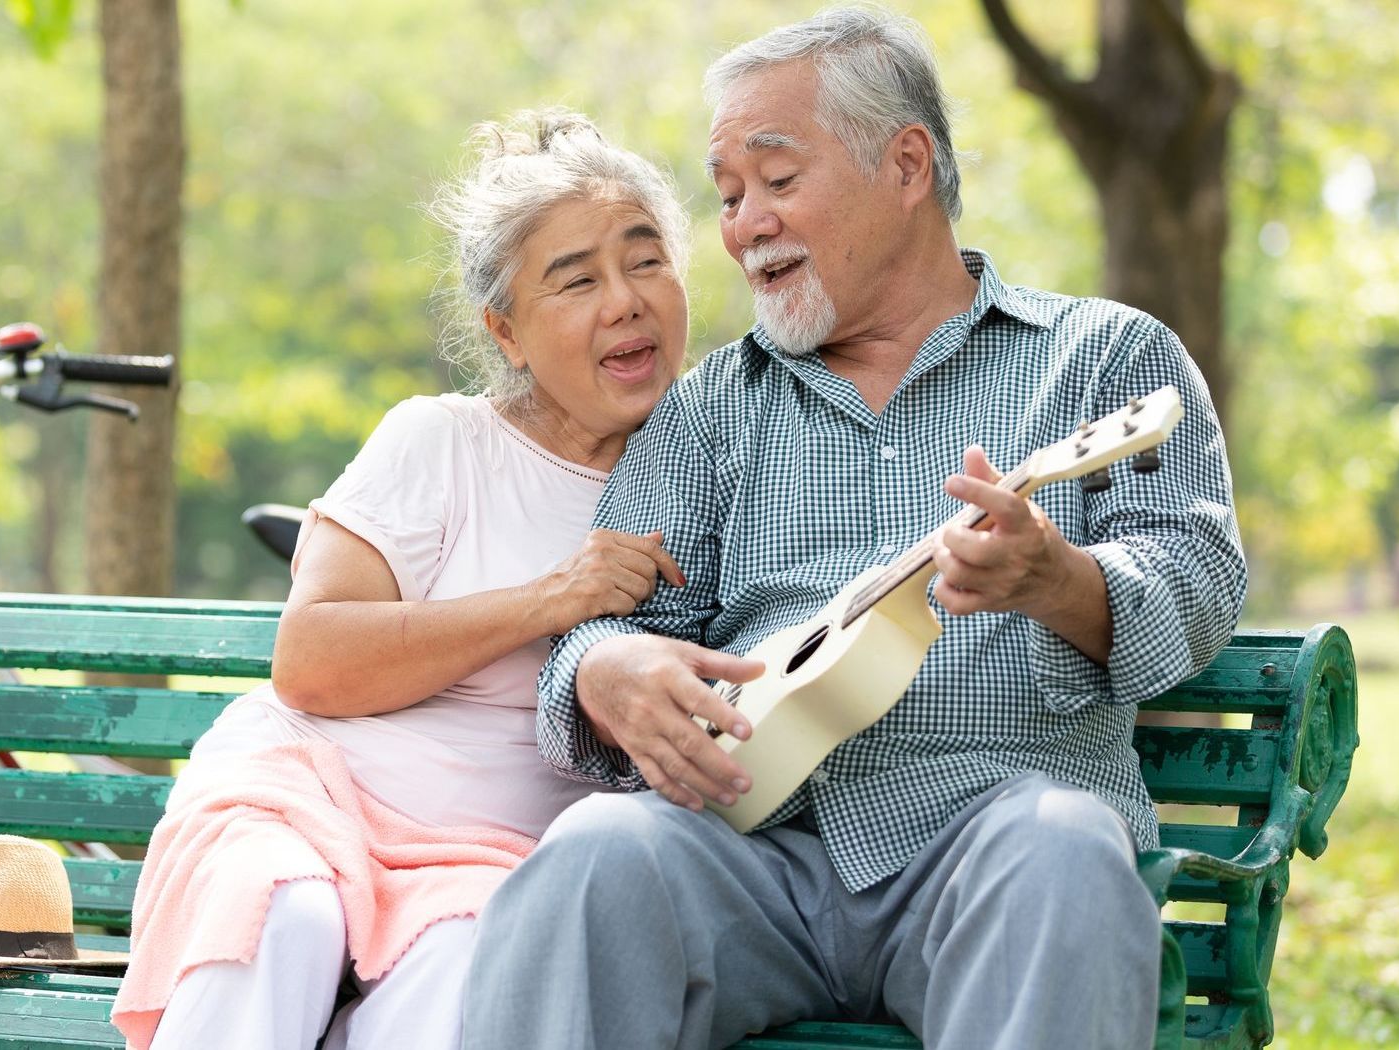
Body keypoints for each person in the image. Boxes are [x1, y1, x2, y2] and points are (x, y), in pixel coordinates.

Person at [461, 8, 1247, 1050]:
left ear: (907, 164)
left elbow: (1194, 576)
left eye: (778, 182)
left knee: (1067, 852)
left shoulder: (1105, 359)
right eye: (730, 195)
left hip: (992, 840)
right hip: (754, 853)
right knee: (596, 857)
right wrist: (605, 673)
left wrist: (1058, 578)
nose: (744, 226)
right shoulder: (710, 409)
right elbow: (598, 627)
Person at [109, 109, 695, 1050]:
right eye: (577, 280)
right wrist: (552, 599)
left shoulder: (718, 472)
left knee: (467, 970)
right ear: (506, 332)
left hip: (485, 862)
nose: (624, 301)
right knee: (287, 915)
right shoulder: (442, 440)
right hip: (308, 801)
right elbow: (310, 661)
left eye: (646, 261)